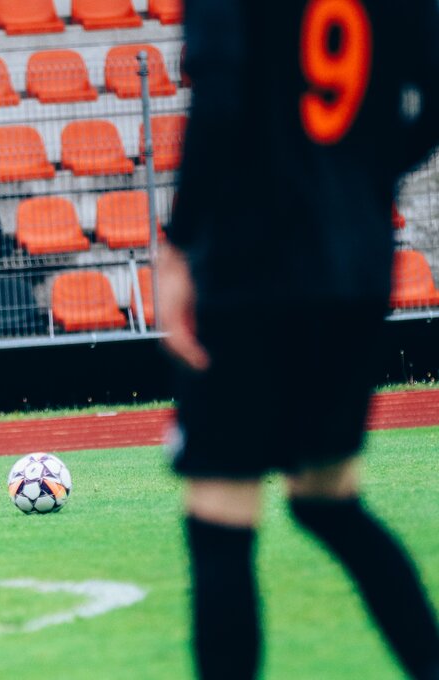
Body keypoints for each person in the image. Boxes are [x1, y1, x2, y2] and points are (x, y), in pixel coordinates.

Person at [160, 0, 439, 677]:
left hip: (253, 265)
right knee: (326, 498)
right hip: (355, 266)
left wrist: (179, 244)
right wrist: (362, 179)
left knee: (221, 514)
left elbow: (220, 100)